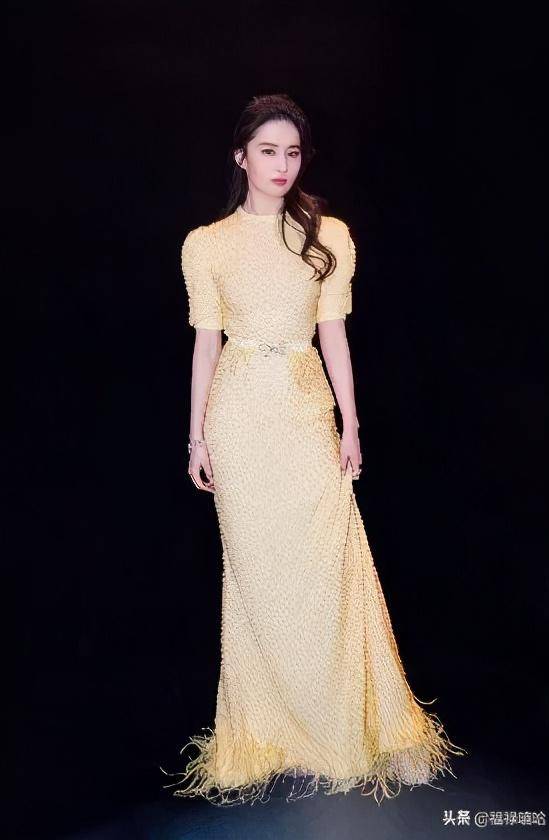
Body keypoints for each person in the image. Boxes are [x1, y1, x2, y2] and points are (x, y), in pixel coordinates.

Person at [161, 93, 466, 807]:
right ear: (241, 156)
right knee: (256, 576)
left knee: (333, 565)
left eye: (292, 152)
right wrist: (197, 436)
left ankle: (356, 728)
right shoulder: (206, 245)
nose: (281, 165)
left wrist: (351, 425)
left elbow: (335, 336)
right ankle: (268, 735)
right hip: (238, 416)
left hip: (304, 411)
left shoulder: (329, 236)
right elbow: (205, 344)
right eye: (267, 150)